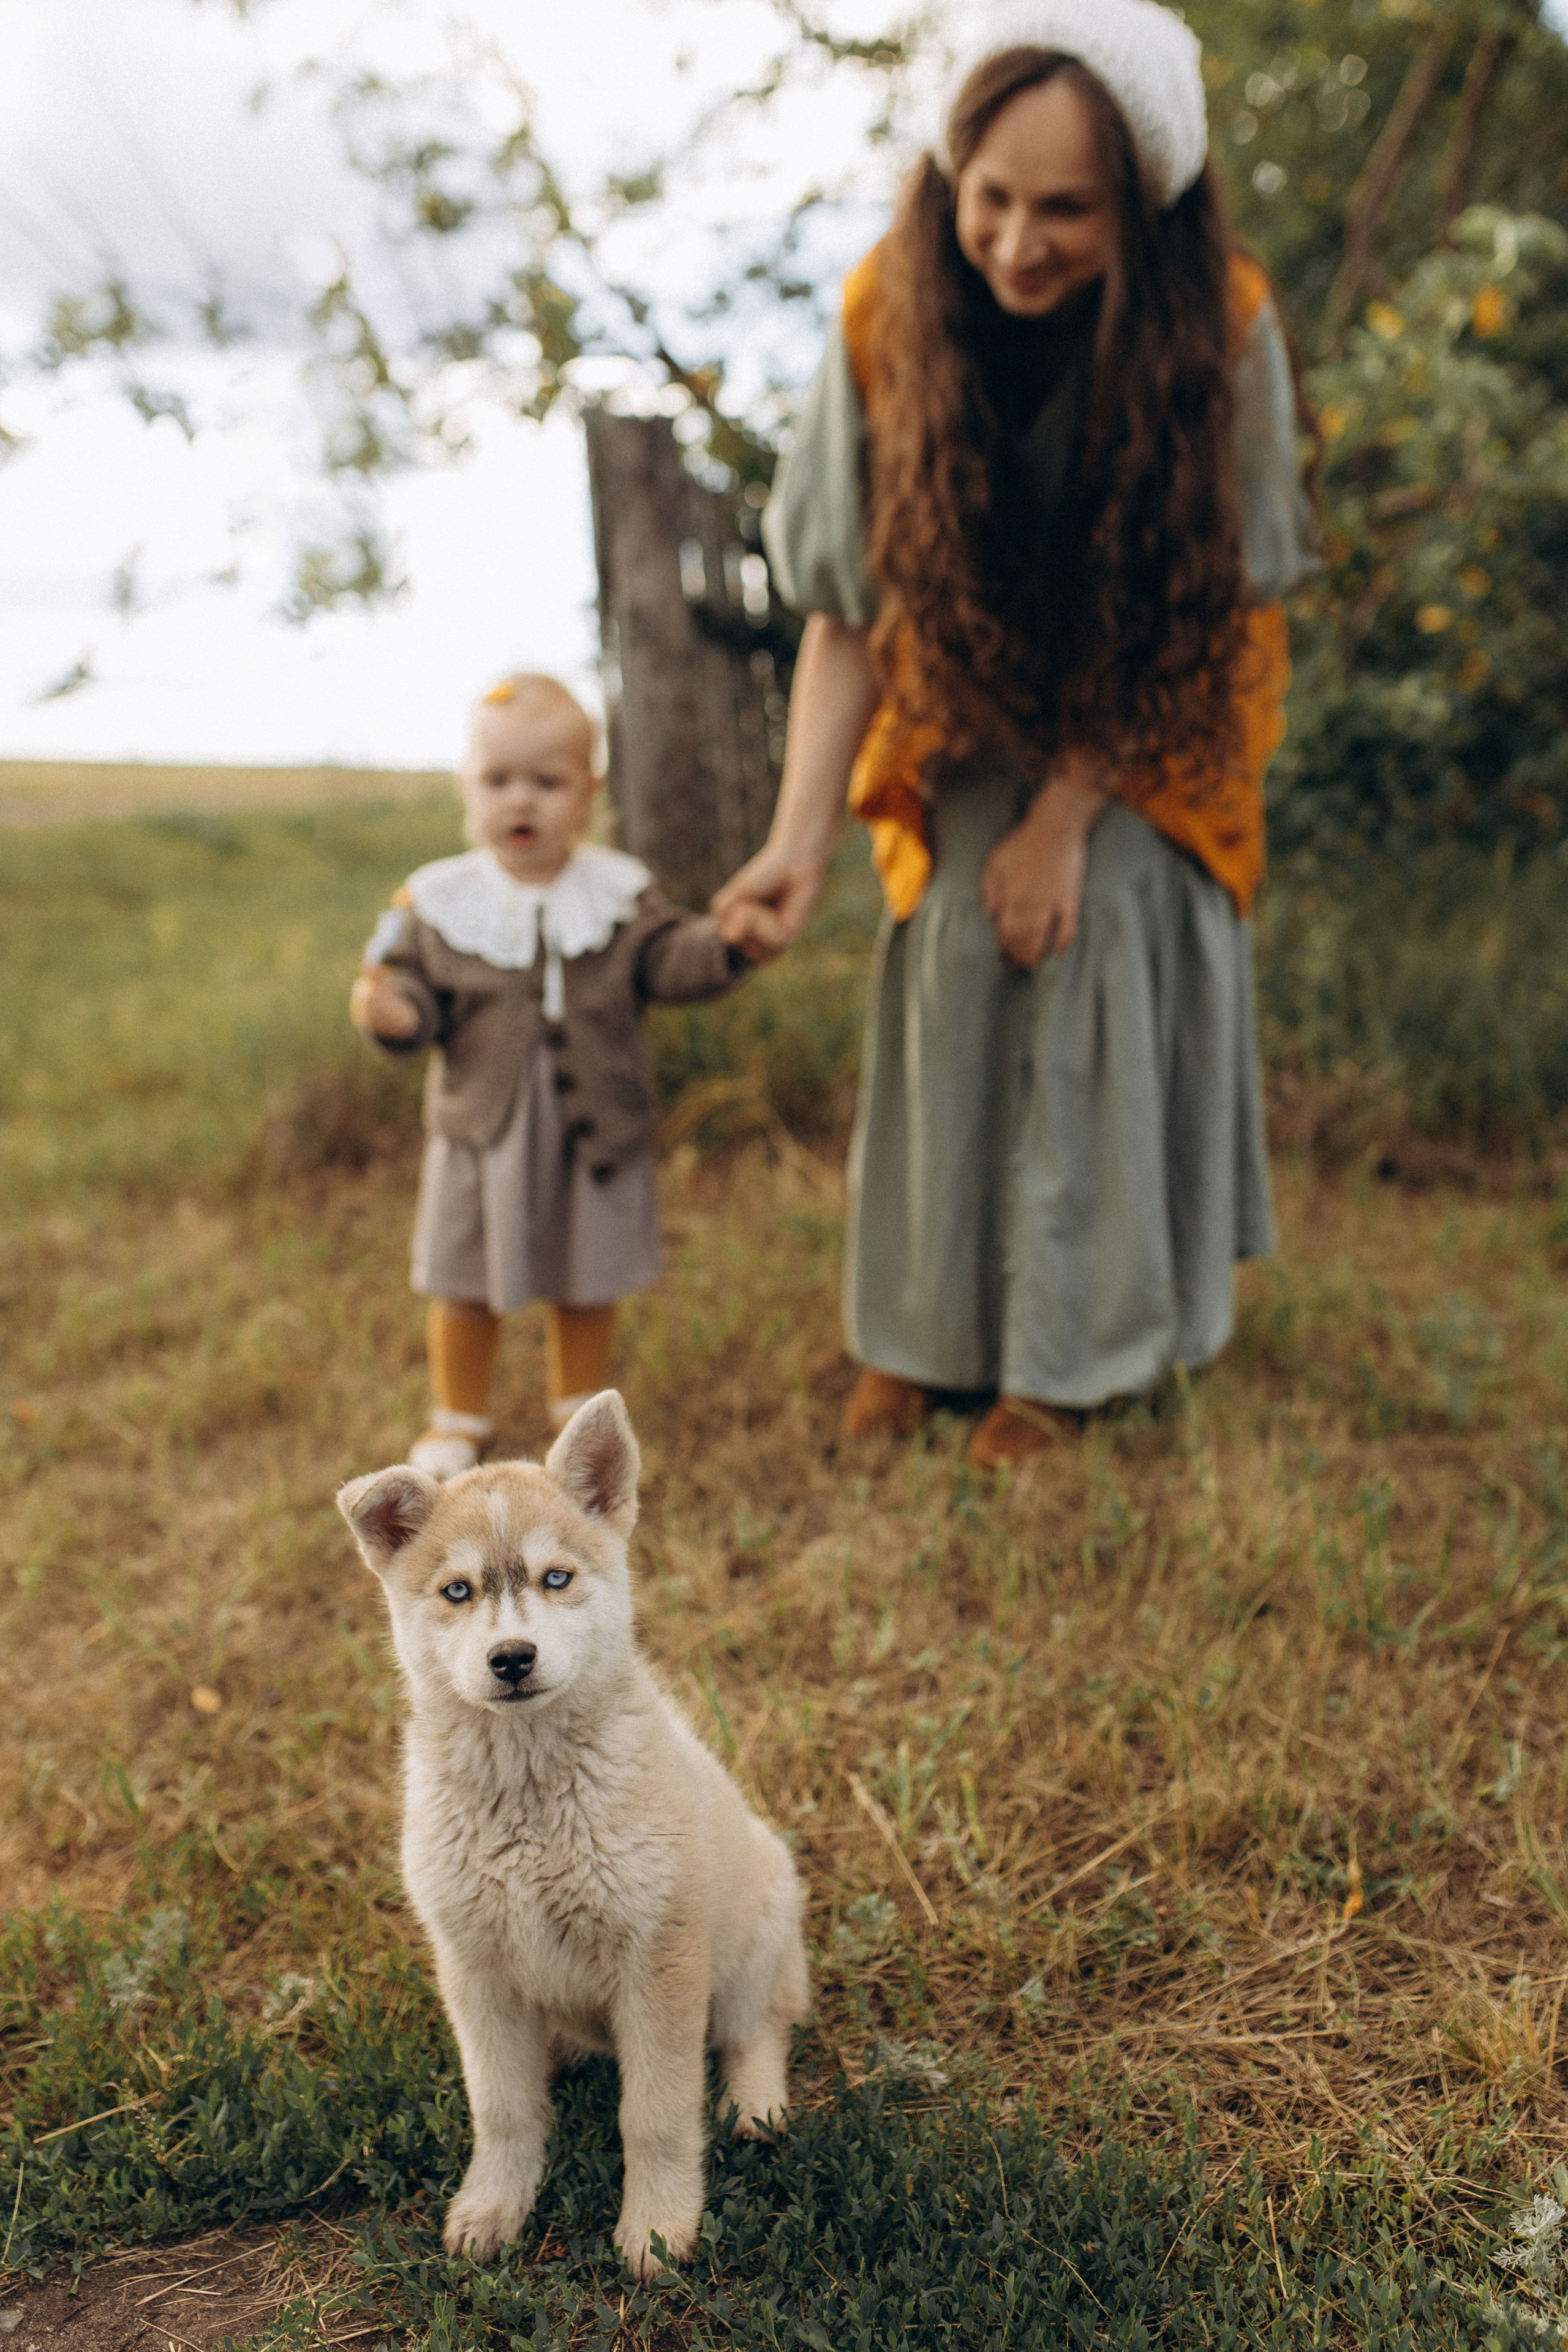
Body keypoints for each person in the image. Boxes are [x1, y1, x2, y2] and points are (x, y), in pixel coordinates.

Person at [713, 0, 1317, 1471]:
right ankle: (922, 1340)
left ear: (1144, 206)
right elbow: (848, 617)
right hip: (969, 707)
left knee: (1086, 917)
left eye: (1067, 210)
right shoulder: (884, 309)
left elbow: (1196, 613)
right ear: (948, 173)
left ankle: (1070, 1358)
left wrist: (1064, 819)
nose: (1016, 241)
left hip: (1156, 716)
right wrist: (793, 845)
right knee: (956, 943)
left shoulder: (1220, 323)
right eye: (991, 196)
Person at [352, 673, 747, 1477]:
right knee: (463, 1278)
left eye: (548, 782)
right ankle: (458, 1417)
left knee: (586, 1274)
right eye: (498, 782)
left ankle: (579, 1417)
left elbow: (670, 963)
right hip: (484, 1134)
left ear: (590, 791)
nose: (520, 802)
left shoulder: (618, 895)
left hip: (589, 1132)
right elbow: (412, 992)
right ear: (468, 787)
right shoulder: (440, 901)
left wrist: (731, 943)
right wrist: (393, 1015)